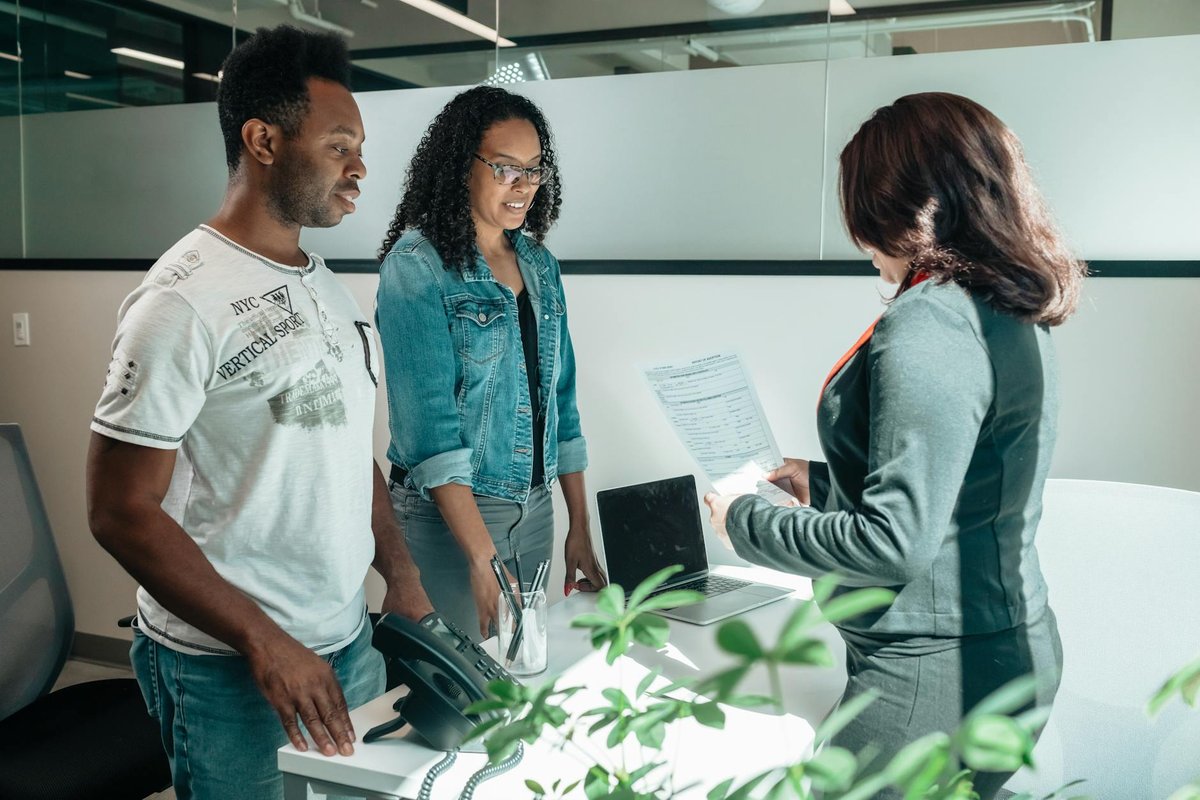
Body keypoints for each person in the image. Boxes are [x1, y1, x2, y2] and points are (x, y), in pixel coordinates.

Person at [704, 92, 1085, 798]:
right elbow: (965, 483)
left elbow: (894, 545)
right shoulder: (1007, 308)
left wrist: (745, 523)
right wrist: (821, 483)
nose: (858, 237)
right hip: (1000, 649)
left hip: (933, 676)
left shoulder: (929, 323)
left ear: (911, 206)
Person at [86, 25, 432, 800]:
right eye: (340, 145)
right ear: (263, 139)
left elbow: (343, 448)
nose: (360, 168)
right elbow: (119, 511)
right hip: (230, 670)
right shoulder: (180, 301)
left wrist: (400, 575)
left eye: (360, 147)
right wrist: (266, 642)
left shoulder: (321, 283)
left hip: (346, 645)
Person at [375, 86, 606, 641]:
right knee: (459, 704)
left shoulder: (539, 264)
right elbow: (428, 434)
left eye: (534, 169)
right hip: (450, 520)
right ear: (461, 167)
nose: (523, 186)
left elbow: (562, 404)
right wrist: (480, 558)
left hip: (536, 510)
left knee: (523, 683)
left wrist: (580, 525)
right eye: (505, 168)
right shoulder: (417, 267)